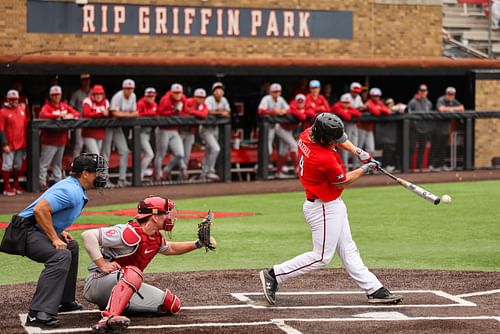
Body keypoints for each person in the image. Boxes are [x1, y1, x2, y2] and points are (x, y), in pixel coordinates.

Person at [259, 113, 403, 306]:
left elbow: (340, 141)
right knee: (321, 257)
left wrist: (358, 152)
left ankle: (374, 289)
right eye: (333, 140)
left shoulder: (307, 134)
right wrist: (364, 169)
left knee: (348, 249)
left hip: (330, 204)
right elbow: (342, 181)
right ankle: (274, 274)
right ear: (324, 138)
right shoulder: (323, 158)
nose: (336, 142)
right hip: (323, 207)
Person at [81, 196, 215, 333]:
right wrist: (102, 264)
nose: (170, 218)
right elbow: (88, 235)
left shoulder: (155, 238)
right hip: (97, 283)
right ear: (155, 217)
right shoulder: (127, 232)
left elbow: (171, 248)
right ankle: (109, 317)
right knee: (133, 272)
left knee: (171, 304)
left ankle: (113, 305)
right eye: (167, 213)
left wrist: (198, 244)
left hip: (120, 285)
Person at [14, 154, 108, 328]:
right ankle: (38, 313)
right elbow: (40, 210)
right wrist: (53, 238)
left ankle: (65, 301)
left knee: (71, 246)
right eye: (97, 172)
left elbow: (49, 212)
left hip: (32, 229)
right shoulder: (70, 190)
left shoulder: (75, 187)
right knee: (60, 255)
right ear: (85, 174)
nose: (100, 176)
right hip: (22, 231)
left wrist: (59, 232)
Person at [39, 86, 80, 191]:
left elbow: (77, 113)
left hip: (61, 139)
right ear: (50, 96)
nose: (56, 97)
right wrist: (57, 115)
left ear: (61, 95)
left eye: (58, 94)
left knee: (57, 164)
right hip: (49, 140)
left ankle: (58, 183)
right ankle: (41, 183)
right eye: (54, 95)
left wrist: (69, 115)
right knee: (44, 164)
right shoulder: (47, 107)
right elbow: (43, 114)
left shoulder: (64, 106)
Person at [103, 79, 138, 187]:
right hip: (108, 125)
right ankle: (105, 180)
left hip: (117, 127)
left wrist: (123, 114)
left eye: (131, 88)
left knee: (125, 151)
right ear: (123, 89)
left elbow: (136, 112)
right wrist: (127, 114)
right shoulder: (117, 96)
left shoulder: (133, 96)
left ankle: (122, 179)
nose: (129, 90)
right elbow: (114, 113)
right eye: (127, 88)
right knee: (106, 153)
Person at [155, 83, 188, 181]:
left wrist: (178, 112)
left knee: (180, 154)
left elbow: (186, 112)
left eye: (179, 93)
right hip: (163, 130)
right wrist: (173, 111)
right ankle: (157, 175)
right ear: (171, 92)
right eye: (175, 93)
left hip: (174, 130)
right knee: (161, 154)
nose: (178, 95)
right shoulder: (166, 99)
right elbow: (159, 113)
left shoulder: (183, 98)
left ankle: (167, 169)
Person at [200, 82, 231, 181]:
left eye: (221, 89)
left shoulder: (224, 100)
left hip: (215, 128)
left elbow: (228, 112)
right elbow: (207, 111)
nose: (219, 91)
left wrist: (220, 112)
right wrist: (220, 112)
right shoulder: (209, 99)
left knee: (209, 151)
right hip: (206, 128)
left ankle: (204, 173)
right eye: (217, 89)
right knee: (216, 149)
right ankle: (210, 171)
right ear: (213, 91)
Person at [0, 90, 28, 196]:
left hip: (21, 144)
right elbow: (1, 129)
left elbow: (24, 127)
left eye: (15, 99)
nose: (13, 101)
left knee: (18, 165)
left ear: (18, 99)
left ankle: (16, 185)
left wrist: (25, 143)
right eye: (11, 99)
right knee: (7, 165)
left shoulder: (21, 110)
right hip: (9, 144)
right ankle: (7, 187)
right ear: (7, 99)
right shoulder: (3, 111)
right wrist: (4, 144)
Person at [258, 83, 289, 170]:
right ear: (270, 92)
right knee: (268, 145)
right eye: (274, 92)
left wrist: (283, 111)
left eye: (278, 91)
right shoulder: (266, 99)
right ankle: (267, 164)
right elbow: (260, 111)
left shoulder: (281, 99)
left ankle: (281, 166)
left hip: (278, 125)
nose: (276, 93)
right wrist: (274, 111)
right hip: (269, 126)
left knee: (284, 143)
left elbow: (289, 109)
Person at [433, 87, 464, 171]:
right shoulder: (441, 99)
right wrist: (452, 109)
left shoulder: (453, 101)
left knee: (444, 148)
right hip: (437, 128)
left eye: (452, 94)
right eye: (449, 94)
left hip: (446, 128)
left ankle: (441, 165)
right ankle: (432, 166)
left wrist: (450, 109)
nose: (450, 96)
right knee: (436, 147)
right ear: (446, 94)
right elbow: (441, 109)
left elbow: (462, 107)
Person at [357, 88, 391, 158]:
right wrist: (378, 109)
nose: (376, 97)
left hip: (369, 129)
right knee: (358, 149)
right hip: (361, 128)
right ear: (371, 96)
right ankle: (356, 166)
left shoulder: (379, 103)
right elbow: (377, 113)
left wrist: (379, 108)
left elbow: (388, 111)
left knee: (371, 149)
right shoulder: (368, 102)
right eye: (375, 96)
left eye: (378, 96)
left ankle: (369, 165)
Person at [407, 84, 433, 171]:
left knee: (422, 148)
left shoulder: (428, 103)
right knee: (412, 148)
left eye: (424, 91)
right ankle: (409, 167)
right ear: (418, 91)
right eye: (421, 91)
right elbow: (409, 115)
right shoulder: (413, 102)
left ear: (427, 92)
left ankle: (419, 167)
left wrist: (427, 128)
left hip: (425, 129)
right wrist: (415, 126)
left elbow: (430, 116)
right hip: (414, 129)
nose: (423, 92)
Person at [339, 82, 365, 168]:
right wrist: (353, 111)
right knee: (345, 146)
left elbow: (359, 110)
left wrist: (353, 110)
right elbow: (344, 110)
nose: (356, 93)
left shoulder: (358, 97)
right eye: (355, 91)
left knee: (355, 146)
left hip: (354, 124)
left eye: (358, 91)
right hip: (345, 124)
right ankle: (345, 166)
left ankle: (355, 166)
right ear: (351, 90)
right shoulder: (345, 96)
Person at [376, 98, 406, 172]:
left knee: (394, 150)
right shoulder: (383, 111)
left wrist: (399, 108)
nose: (391, 105)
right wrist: (393, 108)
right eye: (389, 103)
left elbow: (405, 110)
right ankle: (385, 166)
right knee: (387, 149)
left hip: (393, 136)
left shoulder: (395, 111)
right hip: (384, 135)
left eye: (392, 103)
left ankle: (392, 166)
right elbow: (385, 111)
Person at [136, 87, 159, 180]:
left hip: (149, 133)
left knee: (145, 155)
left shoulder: (154, 104)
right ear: (145, 96)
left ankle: (140, 175)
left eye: (153, 96)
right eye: (149, 96)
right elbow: (137, 115)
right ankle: (139, 176)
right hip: (139, 133)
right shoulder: (140, 103)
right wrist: (150, 113)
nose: (151, 98)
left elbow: (158, 113)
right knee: (150, 154)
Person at [81, 85, 110, 154]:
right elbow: (86, 114)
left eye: (100, 94)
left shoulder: (106, 102)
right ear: (93, 95)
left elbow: (109, 115)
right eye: (96, 94)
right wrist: (100, 113)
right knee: (96, 155)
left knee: (91, 156)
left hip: (100, 133)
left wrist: (107, 114)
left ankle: (87, 165)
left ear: (103, 95)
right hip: (88, 133)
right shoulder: (87, 101)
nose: (98, 96)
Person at [70, 73, 92, 158]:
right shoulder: (76, 93)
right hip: (80, 121)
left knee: (89, 146)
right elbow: (71, 107)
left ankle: (88, 167)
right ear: (81, 81)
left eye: (87, 79)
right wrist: (76, 114)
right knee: (79, 144)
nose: (86, 81)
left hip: (91, 121)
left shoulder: (94, 93)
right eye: (84, 80)